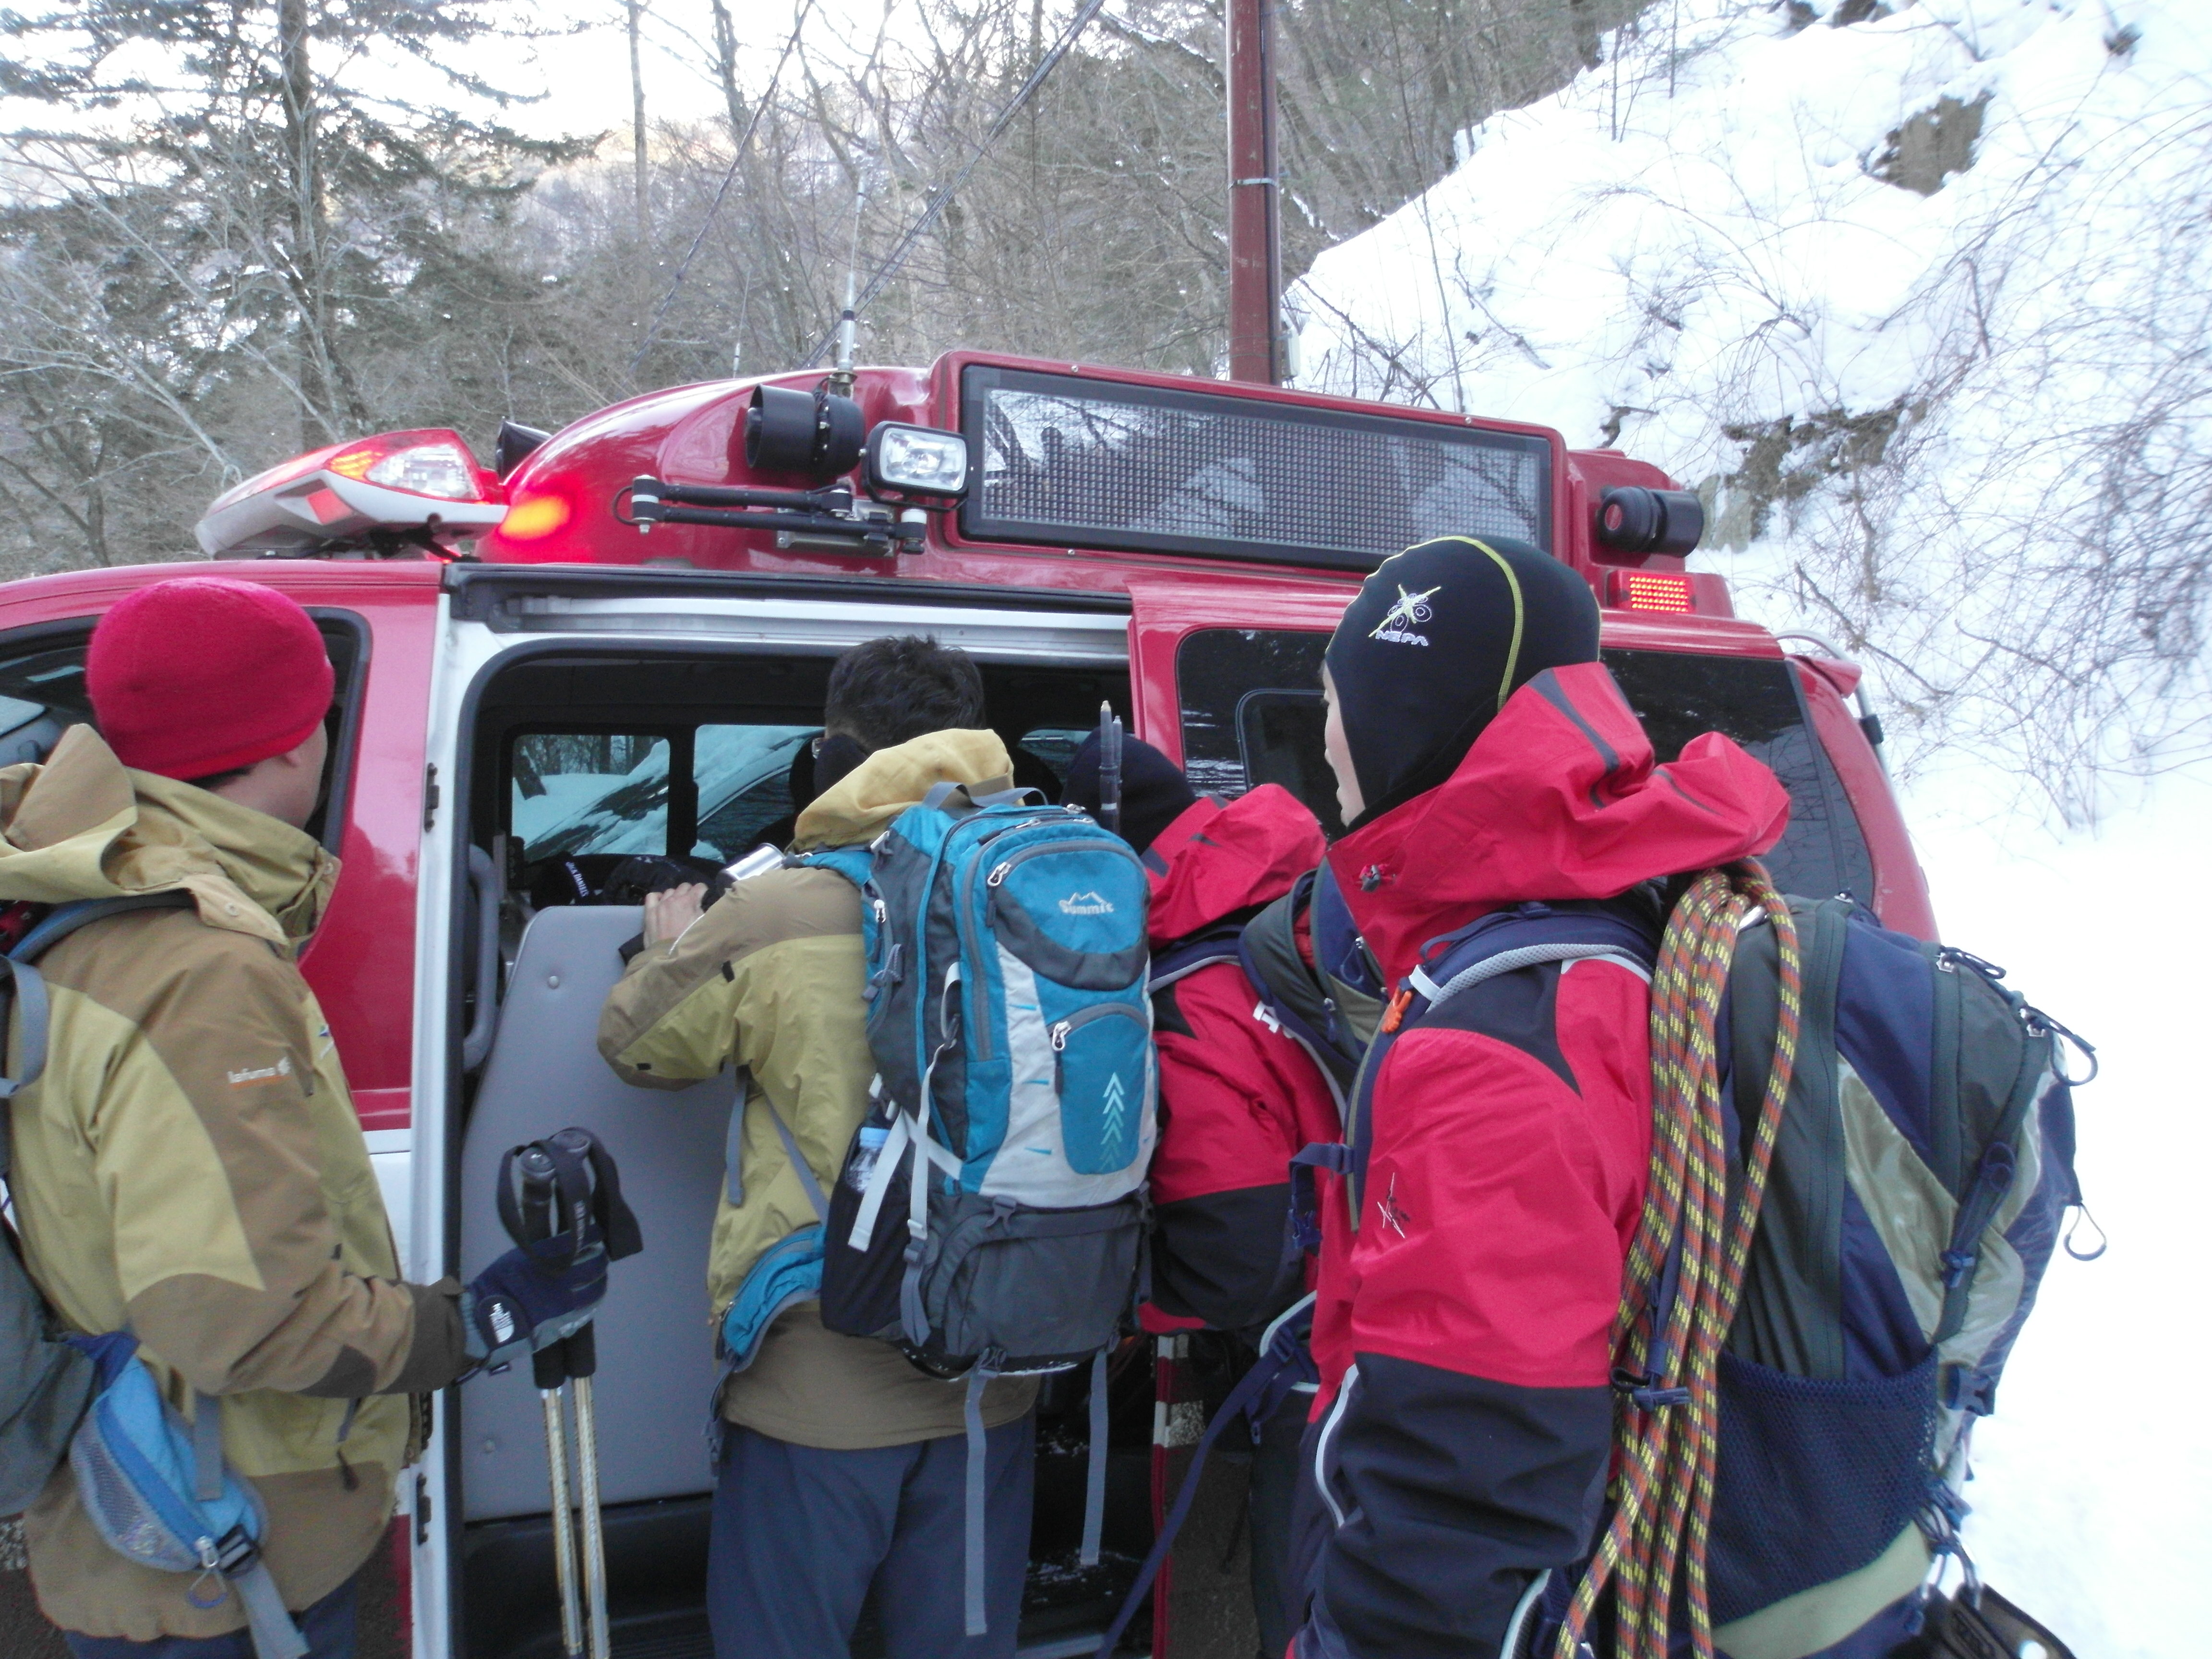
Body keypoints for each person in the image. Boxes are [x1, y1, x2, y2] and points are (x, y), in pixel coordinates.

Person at [0, 577, 603, 1659]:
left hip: (151, 1501)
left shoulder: (96, 909)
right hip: (219, 1539)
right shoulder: (200, 970)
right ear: (291, 742)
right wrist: (479, 1321)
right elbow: (248, 1322)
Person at [1286, 537, 1791, 1658]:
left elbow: (1459, 1504)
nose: (1323, 740)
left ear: (1404, 713)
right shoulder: (1624, 898)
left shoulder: (1491, 1044)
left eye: (1333, 699)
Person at [595, 635, 1040, 1659]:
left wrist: (666, 947)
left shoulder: (775, 910)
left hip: (823, 1386)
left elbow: (636, 1045)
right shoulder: (1041, 886)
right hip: (998, 1373)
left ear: (835, 753)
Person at [1063, 731, 1335, 1659]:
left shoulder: (1185, 993)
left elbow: (1234, 1256)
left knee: (1297, 1610)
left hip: (1307, 1354)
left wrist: (1128, 1304)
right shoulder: (1293, 903)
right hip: (1388, 1309)